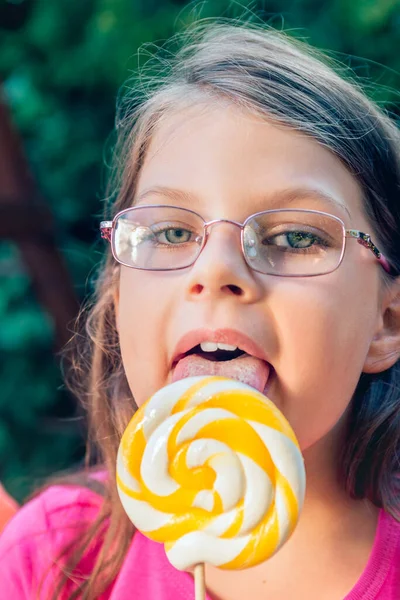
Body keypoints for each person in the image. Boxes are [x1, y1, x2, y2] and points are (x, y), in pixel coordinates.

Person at [1, 20, 400, 600]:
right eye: (169, 231)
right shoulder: (52, 561)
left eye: (294, 238)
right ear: (118, 302)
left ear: (386, 322)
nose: (216, 270)